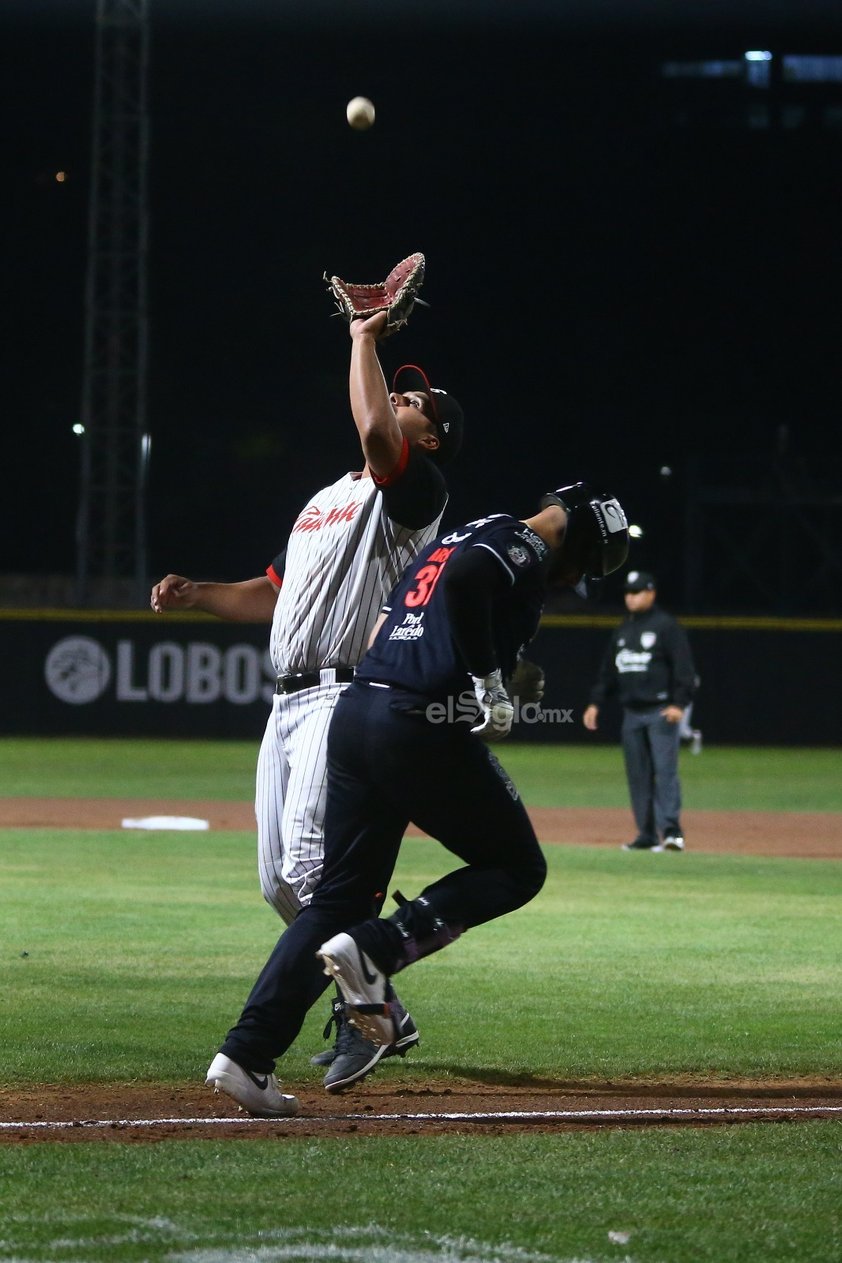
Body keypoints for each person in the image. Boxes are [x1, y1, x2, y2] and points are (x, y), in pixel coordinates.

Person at [204, 481, 630, 1117]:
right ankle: (377, 951)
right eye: (581, 572)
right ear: (578, 539)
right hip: (413, 723)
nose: (570, 583)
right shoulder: (523, 545)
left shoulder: (475, 530)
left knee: (336, 901)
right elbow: (463, 588)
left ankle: (246, 1056)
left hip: (358, 711)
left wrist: (490, 671)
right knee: (518, 867)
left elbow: (394, 619)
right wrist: (486, 682)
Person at [151, 308, 464, 1091]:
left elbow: (374, 439)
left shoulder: (416, 490)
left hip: (343, 696)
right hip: (284, 706)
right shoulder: (327, 497)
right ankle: (375, 997)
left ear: (431, 438)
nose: (401, 400)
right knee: (278, 883)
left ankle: (362, 1010)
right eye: (398, 393)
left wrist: (362, 338)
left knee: (316, 872)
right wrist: (200, 596)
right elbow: (272, 593)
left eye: (416, 403)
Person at [582, 569, 697, 852]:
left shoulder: (666, 626)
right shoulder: (624, 629)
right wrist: (596, 702)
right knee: (638, 775)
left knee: (664, 772)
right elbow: (609, 671)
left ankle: (672, 833)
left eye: (637, 592)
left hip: (660, 712)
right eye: (628, 593)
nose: (631, 598)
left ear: (651, 593)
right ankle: (646, 835)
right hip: (631, 714)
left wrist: (678, 704)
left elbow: (684, 670)